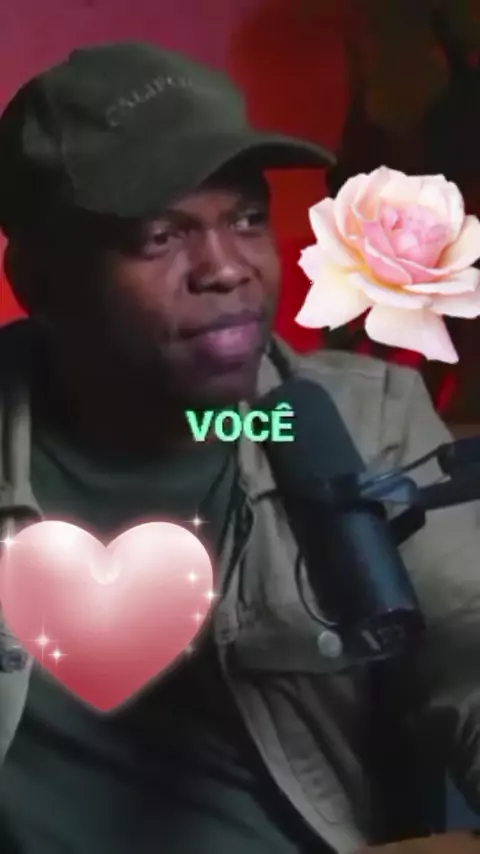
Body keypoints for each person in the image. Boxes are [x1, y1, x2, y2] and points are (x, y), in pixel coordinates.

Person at [0, 41, 478, 854]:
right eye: (161, 236)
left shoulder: (362, 422)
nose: (227, 269)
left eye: (247, 219)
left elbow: (469, 655)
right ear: (41, 280)